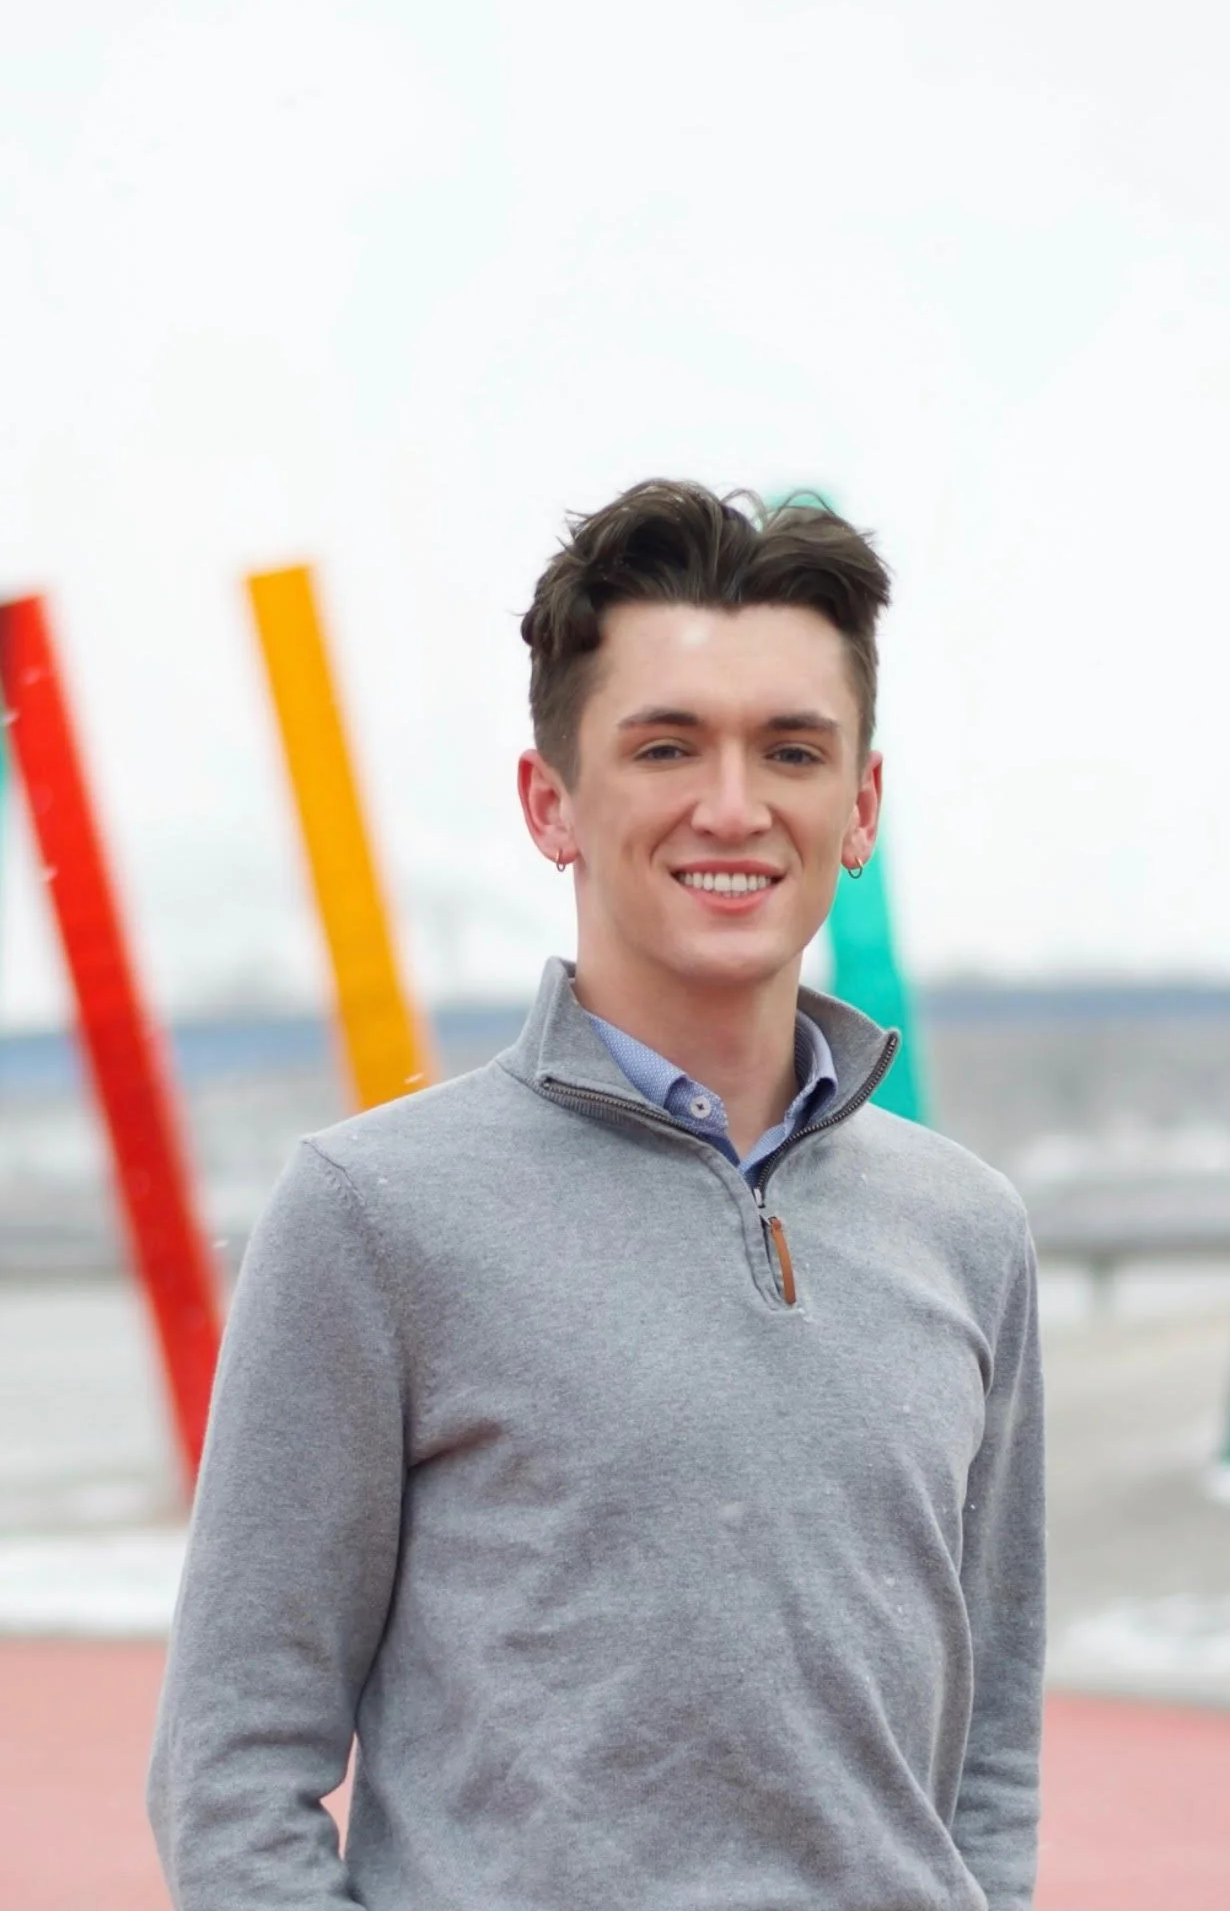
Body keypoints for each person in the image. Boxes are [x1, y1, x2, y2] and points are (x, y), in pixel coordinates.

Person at [148, 479, 1045, 1910]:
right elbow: (231, 1769)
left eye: (792, 750)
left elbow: (989, 1743)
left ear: (861, 806)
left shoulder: (968, 1230)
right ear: (550, 802)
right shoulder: (371, 1216)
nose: (734, 807)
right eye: (667, 746)